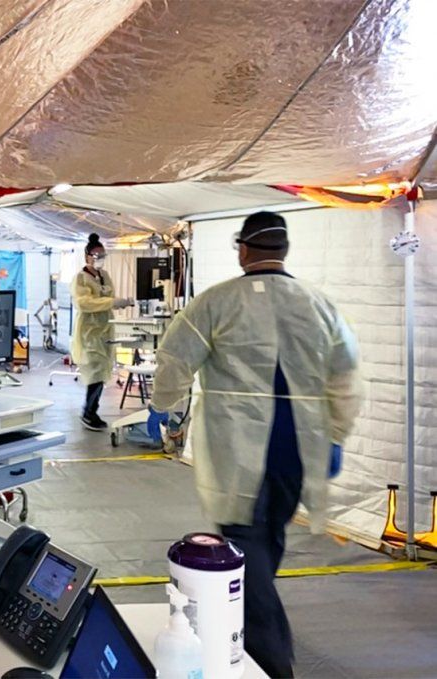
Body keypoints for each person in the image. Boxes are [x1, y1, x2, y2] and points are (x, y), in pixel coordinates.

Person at [146, 212, 361, 677]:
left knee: (245, 545)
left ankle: (271, 657)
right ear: (283, 250)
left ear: (242, 249)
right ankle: (252, 624)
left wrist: (162, 406)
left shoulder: (216, 303)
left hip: (238, 450)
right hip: (299, 448)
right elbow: (345, 375)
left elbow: (175, 358)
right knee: (270, 536)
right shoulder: (318, 303)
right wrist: (337, 434)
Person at [70, 233, 131, 430]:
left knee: (102, 371)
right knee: (95, 371)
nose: (99, 259)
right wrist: (111, 302)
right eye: (96, 255)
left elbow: (108, 296)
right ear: (87, 256)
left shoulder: (105, 276)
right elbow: (84, 303)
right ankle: (88, 412)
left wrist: (121, 302)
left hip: (105, 329)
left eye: (102, 255)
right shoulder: (80, 278)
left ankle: (92, 410)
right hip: (89, 331)